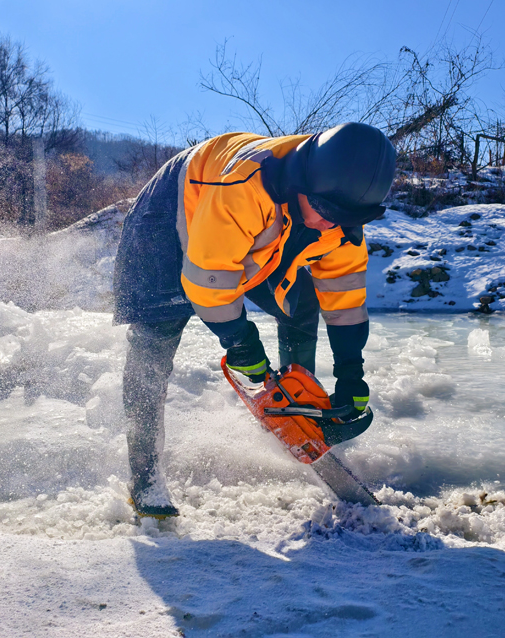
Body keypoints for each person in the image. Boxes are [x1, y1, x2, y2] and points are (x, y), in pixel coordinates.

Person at [113, 122, 396, 517]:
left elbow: (344, 298)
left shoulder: (340, 218)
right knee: (155, 336)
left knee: (302, 304)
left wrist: (352, 370)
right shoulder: (246, 186)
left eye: (344, 219)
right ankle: (145, 478)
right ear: (305, 181)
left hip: (260, 234)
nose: (330, 225)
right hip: (172, 212)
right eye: (327, 213)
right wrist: (241, 343)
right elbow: (208, 281)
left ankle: (299, 410)